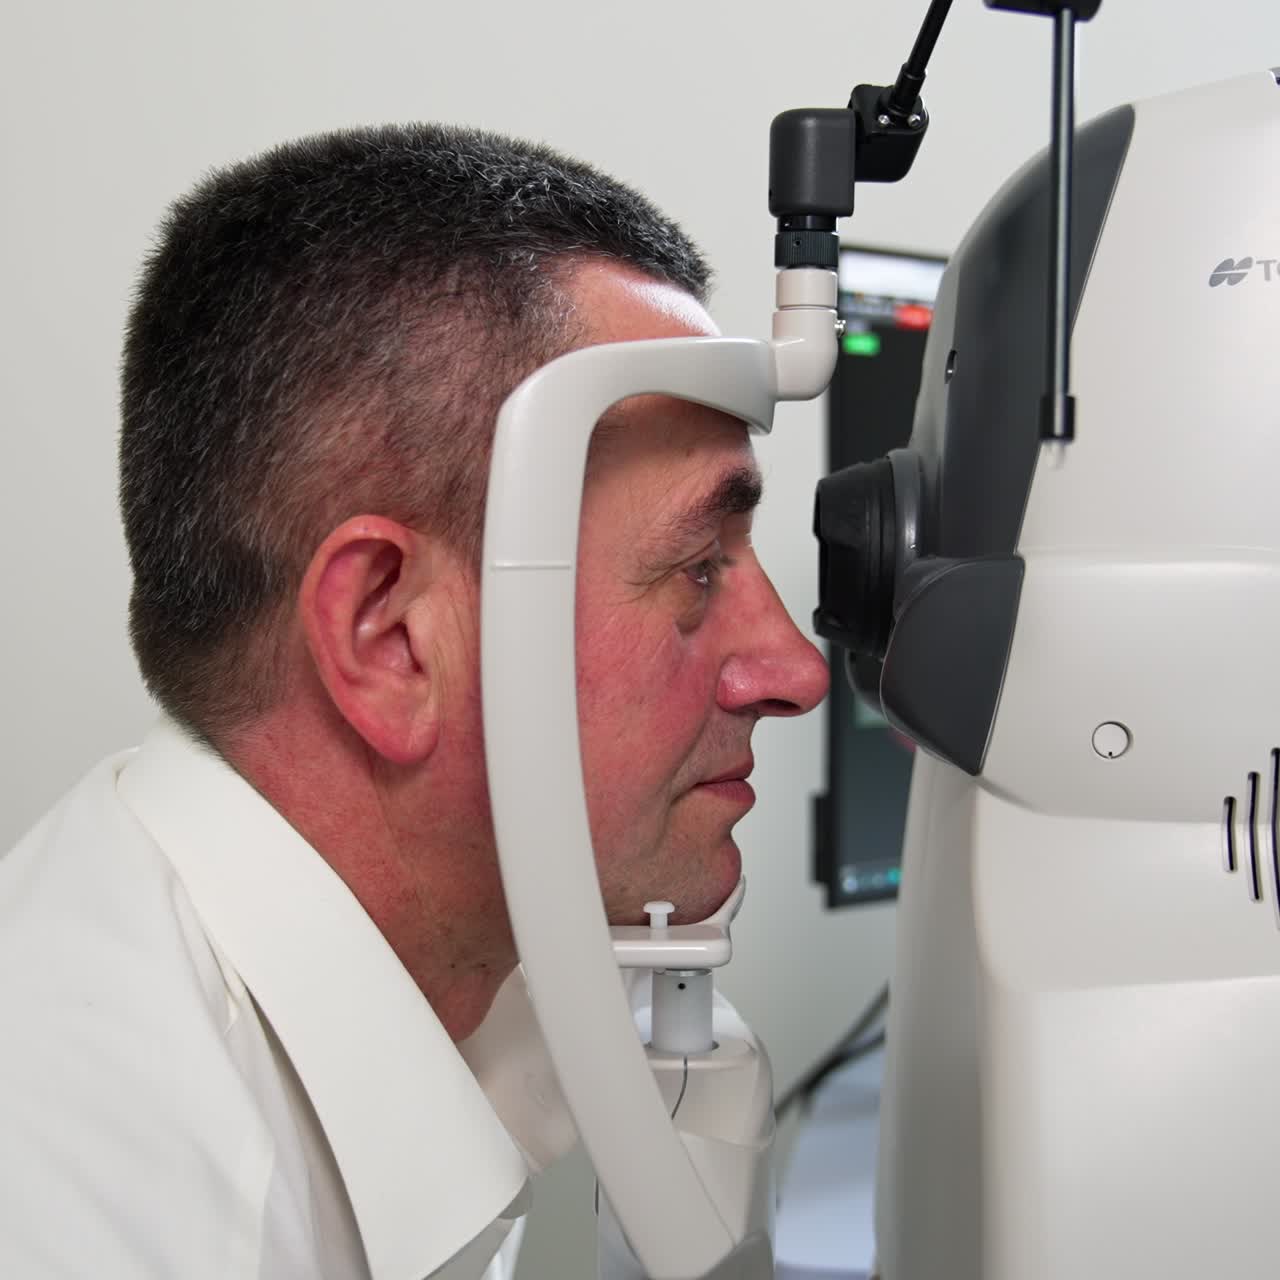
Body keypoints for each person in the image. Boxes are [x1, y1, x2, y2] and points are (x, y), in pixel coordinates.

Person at [0, 125, 829, 1278]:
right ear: (390, 637)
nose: (794, 670)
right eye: (697, 569)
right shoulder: (129, 1214)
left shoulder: (429, 996)